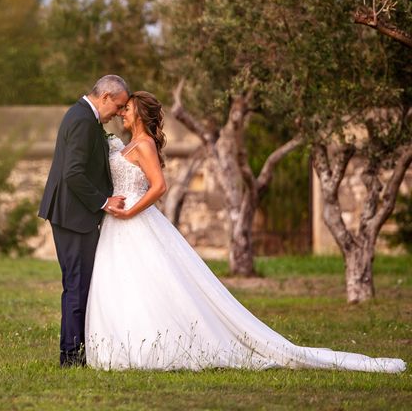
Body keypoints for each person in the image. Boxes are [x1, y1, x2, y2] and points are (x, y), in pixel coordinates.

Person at [85, 91, 406, 373]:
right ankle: (119, 345)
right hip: (116, 227)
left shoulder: (144, 145)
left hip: (136, 220)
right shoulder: (126, 144)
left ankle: (153, 346)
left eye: (126, 109)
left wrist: (131, 210)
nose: (122, 113)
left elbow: (159, 187)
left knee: (152, 284)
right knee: (127, 284)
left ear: (139, 113)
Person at [39, 75, 130, 367]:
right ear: (105, 97)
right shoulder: (81, 120)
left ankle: (77, 352)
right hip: (73, 217)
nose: (118, 112)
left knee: (79, 284)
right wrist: (104, 202)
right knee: (77, 286)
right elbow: (73, 173)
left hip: (74, 214)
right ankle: (70, 357)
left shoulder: (84, 117)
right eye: (118, 105)